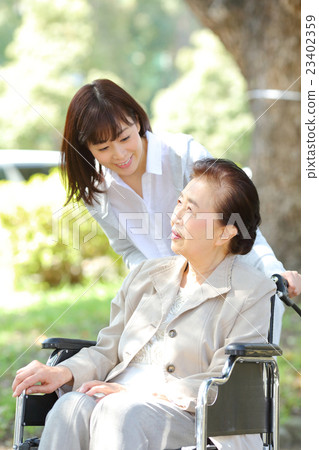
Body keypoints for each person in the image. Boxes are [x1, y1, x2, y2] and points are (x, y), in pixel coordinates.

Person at [13, 158, 277, 450]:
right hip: (116, 400)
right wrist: (65, 371)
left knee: (117, 411)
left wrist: (135, 391)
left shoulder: (251, 291)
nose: (176, 216)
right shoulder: (146, 275)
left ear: (226, 231)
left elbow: (222, 381)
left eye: (191, 210)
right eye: (179, 202)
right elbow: (107, 350)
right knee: (70, 407)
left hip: (192, 418)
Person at [60, 78, 300, 344]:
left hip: (236, 288)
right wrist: (164, 283)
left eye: (124, 137)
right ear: (87, 148)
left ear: (137, 121)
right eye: (103, 148)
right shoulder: (96, 192)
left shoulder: (182, 155)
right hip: (170, 302)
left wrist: (273, 270)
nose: (119, 154)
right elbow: (127, 249)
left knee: (240, 376)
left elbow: (239, 221)